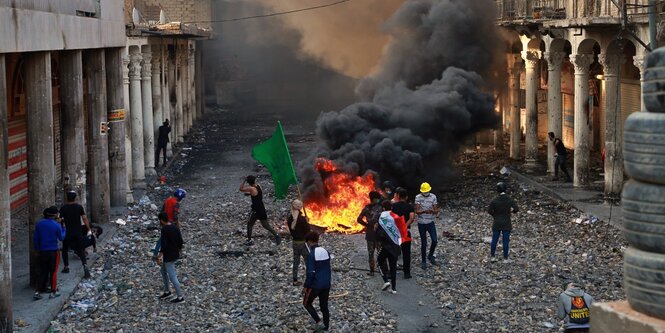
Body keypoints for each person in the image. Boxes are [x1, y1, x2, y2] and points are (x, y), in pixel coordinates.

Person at [33, 206, 66, 300]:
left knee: (43, 271)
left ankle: (38, 291)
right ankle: (53, 291)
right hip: (53, 251)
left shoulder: (39, 224)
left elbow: (36, 239)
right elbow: (61, 238)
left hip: (42, 251)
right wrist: (64, 229)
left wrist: (37, 250)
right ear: (55, 215)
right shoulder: (56, 225)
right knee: (53, 272)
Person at [240, 175, 281, 245]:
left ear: (248, 182)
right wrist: (250, 194)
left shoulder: (251, 188)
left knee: (249, 224)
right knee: (265, 225)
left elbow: (241, 189)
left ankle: (249, 240)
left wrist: (244, 180)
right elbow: (257, 194)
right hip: (261, 208)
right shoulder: (258, 186)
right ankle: (277, 235)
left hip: (255, 209)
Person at [303, 231, 331, 332]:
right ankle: (326, 326)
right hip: (326, 284)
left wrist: (306, 286)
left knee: (306, 303)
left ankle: (319, 322)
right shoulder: (325, 251)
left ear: (310, 242)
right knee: (324, 305)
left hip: (316, 285)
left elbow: (311, 272)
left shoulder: (312, 254)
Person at [59, 191, 91, 278]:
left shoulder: (63, 208)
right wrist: (88, 228)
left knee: (65, 249)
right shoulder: (79, 207)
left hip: (68, 232)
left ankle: (66, 267)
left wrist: (61, 229)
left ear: (67, 198)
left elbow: (60, 220)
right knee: (80, 250)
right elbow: (84, 218)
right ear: (75, 198)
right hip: (78, 232)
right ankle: (84, 265)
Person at [377, 200, 405, 294]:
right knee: (393, 267)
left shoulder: (381, 217)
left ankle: (385, 281)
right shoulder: (396, 217)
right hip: (396, 245)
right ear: (391, 207)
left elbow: (379, 233)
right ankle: (394, 289)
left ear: (383, 208)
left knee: (379, 261)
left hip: (386, 246)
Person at [156, 212, 185, 303]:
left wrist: (160, 255)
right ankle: (167, 291)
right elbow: (180, 240)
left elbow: (163, 244)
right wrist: (179, 250)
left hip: (168, 255)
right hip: (175, 253)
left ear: (161, 220)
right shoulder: (175, 227)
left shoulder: (165, 230)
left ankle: (180, 297)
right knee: (163, 271)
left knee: (172, 276)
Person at [487, 182, 519, 263]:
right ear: (505, 189)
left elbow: (489, 211)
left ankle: (493, 257)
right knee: (505, 241)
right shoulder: (509, 199)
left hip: (497, 222)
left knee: (494, 240)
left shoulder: (494, 200)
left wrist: (495, 216)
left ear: (497, 190)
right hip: (506, 222)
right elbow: (516, 209)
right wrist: (512, 211)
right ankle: (505, 258)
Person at [153, 188, 187, 259]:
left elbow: (162, 211)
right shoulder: (176, 203)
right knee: (177, 238)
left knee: (162, 238)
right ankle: (178, 253)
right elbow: (175, 216)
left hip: (164, 222)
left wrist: (161, 221)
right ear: (180, 197)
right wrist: (177, 224)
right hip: (172, 223)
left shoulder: (167, 200)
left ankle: (155, 253)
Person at [356, 191, 383, 276]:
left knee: (371, 253)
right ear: (374, 199)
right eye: (377, 198)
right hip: (379, 233)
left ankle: (372, 271)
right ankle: (384, 271)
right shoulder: (380, 208)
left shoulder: (366, 208)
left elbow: (359, 219)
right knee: (381, 252)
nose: (379, 200)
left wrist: (367, 225)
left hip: (370, 233)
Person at [391, 187, 415, 279]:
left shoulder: (394, 206)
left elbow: (391, 217)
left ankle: (392, 271)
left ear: (398, 196)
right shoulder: (409, 207)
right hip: (405, 232)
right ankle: (406, 273)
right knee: (406, 253)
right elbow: (412, 218)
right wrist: (405, 226)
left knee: (393, 252)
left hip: (395, 232)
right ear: (406, 197)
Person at [415, 182, 439, 269]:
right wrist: (424, 211)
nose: (425, 193)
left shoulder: (433, 197)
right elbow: (417, 211)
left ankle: (430, 255)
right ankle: (423, 261)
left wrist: (432, 211)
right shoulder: (418, 197)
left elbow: (436, 210)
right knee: (424, 243)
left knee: (434, 240)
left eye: (426, 191)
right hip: (421, 223)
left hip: (430, 222)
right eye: (424, 192)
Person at [286, 199, 311, 286]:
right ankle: (309, 280)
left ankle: (295, 280)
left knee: (296, 262)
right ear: (300, 208)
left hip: (294, 243)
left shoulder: (289, 219)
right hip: (303, 244)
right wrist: (308, 223)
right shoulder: (302, 219)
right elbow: (308, 232)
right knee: (308, 262)